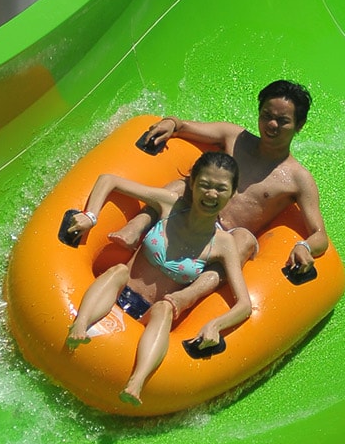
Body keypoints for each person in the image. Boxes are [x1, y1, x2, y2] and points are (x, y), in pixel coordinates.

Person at [63, 151, 251, 406]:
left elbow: (244, 306)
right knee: (118, 271)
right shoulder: (170, 205)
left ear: (232, 193)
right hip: (118, 290)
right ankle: (80, 325)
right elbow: (109, 180)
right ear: (193, 183)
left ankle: (136, 382)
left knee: (165, 308)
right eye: (205, 185)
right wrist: (91, 216)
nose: (211, 194)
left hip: (148, 315)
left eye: (221, 188)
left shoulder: (223, 244)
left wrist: (216, 325)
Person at [124, 80, 329, 286]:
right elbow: (183, 126)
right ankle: (134, 228)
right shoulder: (234, 137)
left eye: (282, 121)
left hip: (224, 239)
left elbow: (319, 235)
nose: (272, 125)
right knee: (180, 186)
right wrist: (170, 123)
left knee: (245, 239)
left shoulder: (298, 179)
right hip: (193, 213)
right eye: (266, 115)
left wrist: (305, 246)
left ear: (299, 125)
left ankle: (187, 297)